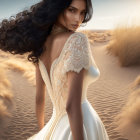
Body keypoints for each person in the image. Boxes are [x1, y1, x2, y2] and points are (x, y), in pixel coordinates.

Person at [0, 0, 109, 139]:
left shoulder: (40, 45)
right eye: (72, 10)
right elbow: (72, 105)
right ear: (57, 9)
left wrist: (44, 132)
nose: (78, 19)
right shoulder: (77, 40)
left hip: (56, 126)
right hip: (81, 126)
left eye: (82, 13)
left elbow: (39, 98)